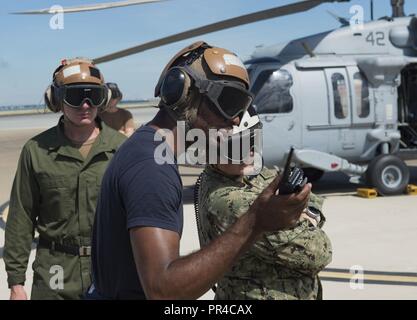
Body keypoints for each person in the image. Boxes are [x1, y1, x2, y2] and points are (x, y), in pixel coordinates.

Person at [89, 41, 312, 300]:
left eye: (241, 106)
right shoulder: (151, 167)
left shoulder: (147, 150)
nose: (237, 119)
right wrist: (256, 221)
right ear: (183, 93)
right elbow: (163, 291)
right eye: (229, 102)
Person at [3, 58, 126, 300]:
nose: (86, 105)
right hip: (54, 276)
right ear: (57, 100)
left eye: (94, 96)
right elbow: (21, 217)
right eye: (76, 96)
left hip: (110, 270)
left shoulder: (122, 149)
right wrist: (16, 283)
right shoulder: (36, 151)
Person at [195, 107, 332, 300]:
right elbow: (317, 252)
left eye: (253, 139)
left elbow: (311, 198)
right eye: (238, 146)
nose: (250, 150)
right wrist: (306, 217)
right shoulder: (227, 201)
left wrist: (302, 215)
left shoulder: (244, 171)